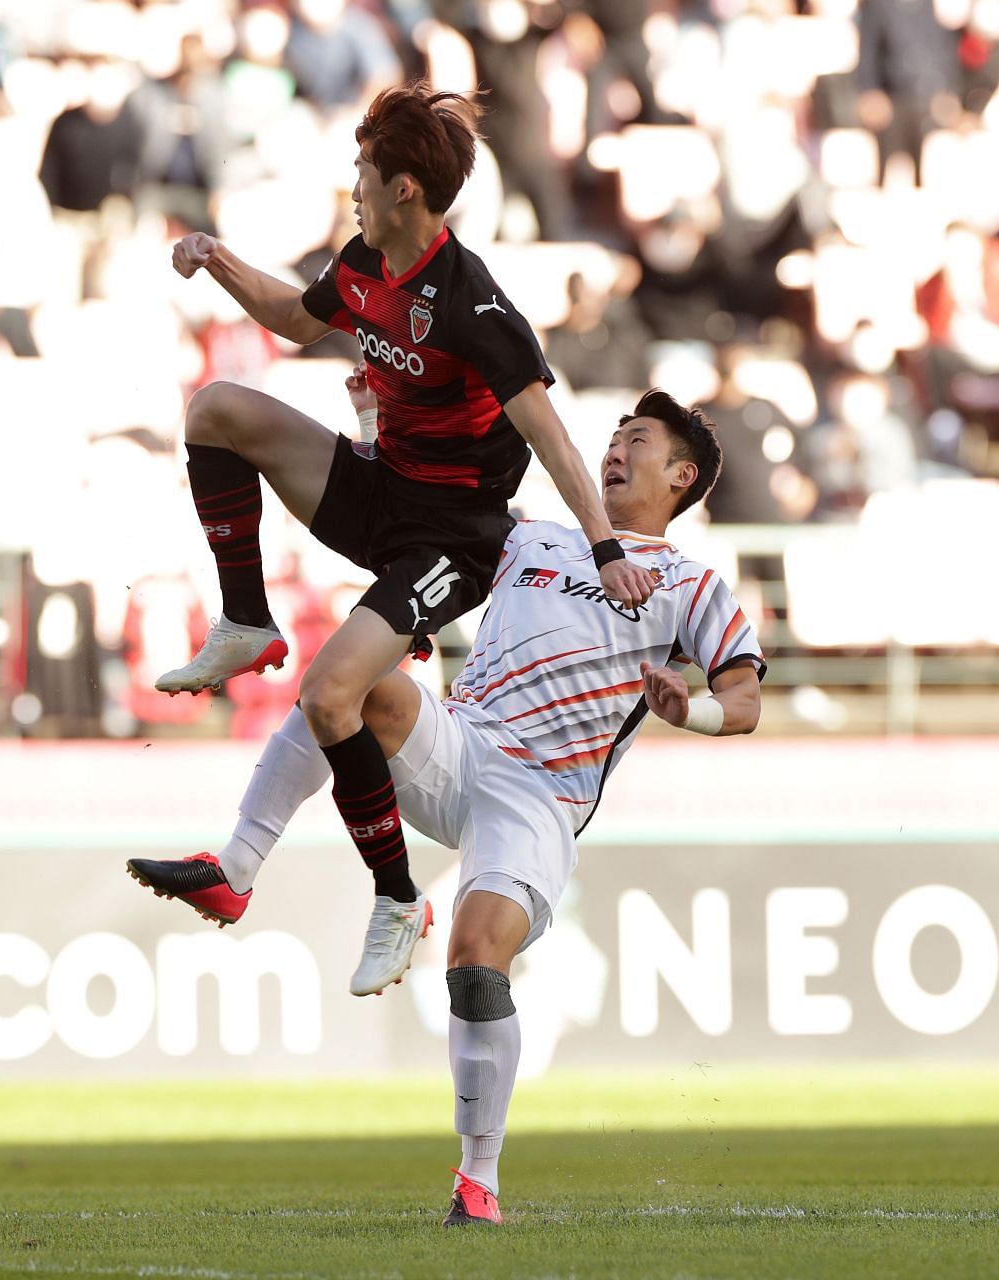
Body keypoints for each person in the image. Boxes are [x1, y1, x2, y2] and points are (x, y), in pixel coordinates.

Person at [130, 387, 764, 1226]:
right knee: (351, 686)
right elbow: (415, 540)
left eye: (636, 440)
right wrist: (367, 429)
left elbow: (746, 700)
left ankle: (479, 1181)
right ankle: (237, 865)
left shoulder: (691, 586)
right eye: (614, 435)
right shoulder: (531, 534)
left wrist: (691, 709)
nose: (615, 449)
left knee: (475, 959)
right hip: (459, 742)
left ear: (681, 475)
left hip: (540, 799)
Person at [149, 82, 654, 996]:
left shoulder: (474, 306)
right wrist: (216, 259)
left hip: (452, 543)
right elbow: (298, 322)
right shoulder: (365, 261)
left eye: (364, 172)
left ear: (405, 190)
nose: (353, 185)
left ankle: (396, 899)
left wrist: (607, 546)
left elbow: (552, 437)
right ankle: (244, 619)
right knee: (216, 411)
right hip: (382, 488)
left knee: (332, 693)